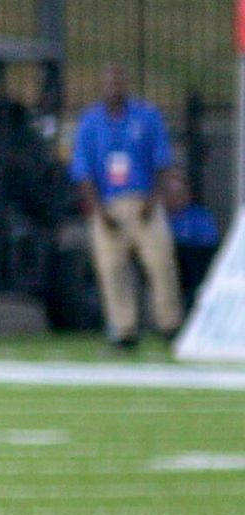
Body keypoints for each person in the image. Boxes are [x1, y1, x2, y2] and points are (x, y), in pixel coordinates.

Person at [70, 65, 181, 349]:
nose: (115, 88)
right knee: (112, 269)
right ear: (102, 86)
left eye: (119, 82)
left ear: (126, 85)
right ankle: (124, 329)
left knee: (160, 263)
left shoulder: (146, 117)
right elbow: (83, 171)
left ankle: (169, 325)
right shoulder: (90, 123)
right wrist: (98, 210)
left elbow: (162, 162)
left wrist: (153, 200)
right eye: (110, 83)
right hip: (108, 205)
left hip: (144, 202)